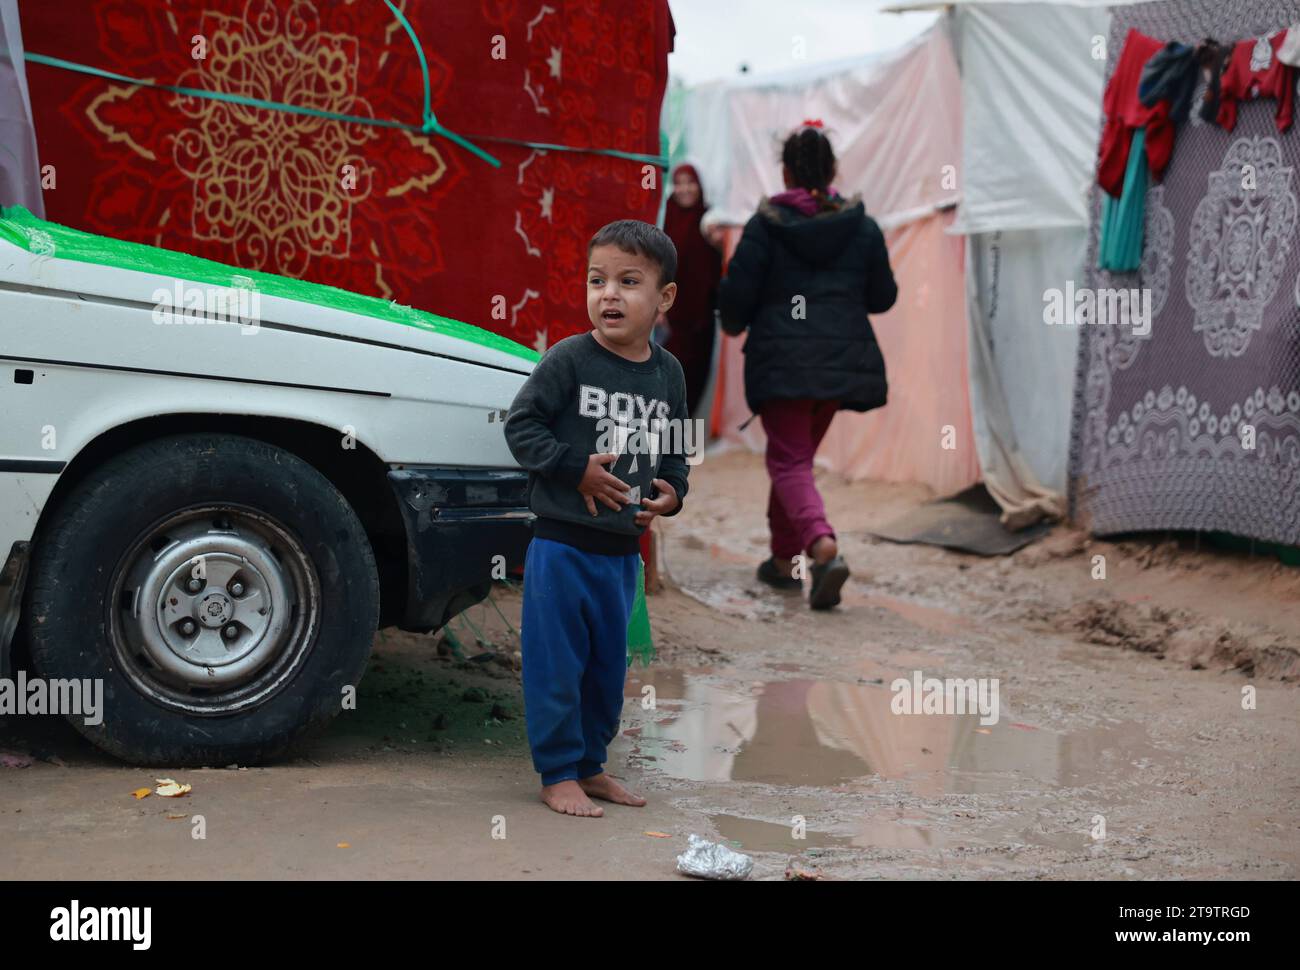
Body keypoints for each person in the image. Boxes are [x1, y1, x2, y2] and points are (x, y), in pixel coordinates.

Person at [504, 219, 692, 817]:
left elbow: (679, 449)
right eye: (597, 280)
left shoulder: (670, 374)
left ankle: (590, 765)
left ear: (664, 299)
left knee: (607, 672)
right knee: (556, 663)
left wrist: (674, 494)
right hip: (562, 545)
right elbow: (521, 426)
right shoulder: (569, 359)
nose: (608, 294)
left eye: (628, 281)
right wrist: (572, 469)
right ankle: (556, 771)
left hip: (621, 555)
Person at [718, 121, 897, 610]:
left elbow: (736, 296)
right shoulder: (861, 226)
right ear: (833, 170)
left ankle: (821, 546)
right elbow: (883, 297)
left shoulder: (767, 225)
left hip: (782, 361)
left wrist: (732, 320)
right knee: (792, 458)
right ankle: (782, 563)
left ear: (787, 171)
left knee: (788, 459)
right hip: (839, 367)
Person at [662, 163, 723, 416]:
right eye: (680, 183)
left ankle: (683, 445)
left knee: (696, 377)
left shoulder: (708, 220)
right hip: (670, 316)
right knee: (668, 377)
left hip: (701, 316)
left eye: (691, 183)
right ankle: (660, 441)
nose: (685, 189)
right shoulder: (666, 216)